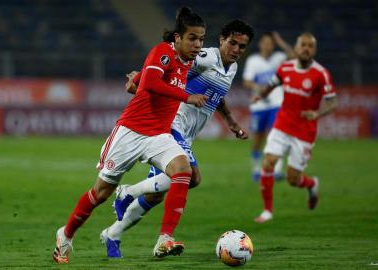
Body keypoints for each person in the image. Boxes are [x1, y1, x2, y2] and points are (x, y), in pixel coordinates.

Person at [52, 7, 208, 264]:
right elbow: (151, 83)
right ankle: (65, 235)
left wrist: (139, 77)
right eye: (192, 38)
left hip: (158, 135)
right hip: (130, 133)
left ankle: (165, 238)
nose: (197, 44)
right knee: (100, 193)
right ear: (177, 38)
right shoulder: (163, 52)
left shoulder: (188, 61)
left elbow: (147, 81)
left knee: (183, 171)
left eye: (201, 39)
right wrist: (186, 96)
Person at [99, 20, 255, 258]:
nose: (236, 50)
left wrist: (231, 122)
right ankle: (131, 197)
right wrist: (139, 80)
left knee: (155, 195)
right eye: (232, 43)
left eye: (242, 47)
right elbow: (169, 69)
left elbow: (217, 95)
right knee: (191, 177)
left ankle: (113, 232)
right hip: (172, 124)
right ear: (221, 39)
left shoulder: (230, 68)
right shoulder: (204, 58)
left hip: (187, 134)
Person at [252, 32, 338, 223]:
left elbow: (333, 102)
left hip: (304, 132)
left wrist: (317, 114)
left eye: (310, 46)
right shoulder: (285, 68)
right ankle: (267, 211)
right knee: (268, 163)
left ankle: (312, 184)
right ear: (297, 48)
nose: (306, 48)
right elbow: (272, 85)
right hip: (282, 125)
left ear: (314, 50)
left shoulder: (320, 73)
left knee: (293, 179)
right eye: (303, 45)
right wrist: (260, 95)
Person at [243, 32, 295, 181]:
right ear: (260, 44)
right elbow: (247, 81)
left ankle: (277, 170)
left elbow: (293, 56)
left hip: (277, 103)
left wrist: (281, 42)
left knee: (276, 136)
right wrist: (258, 86)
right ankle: (256, 169)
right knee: (258, 139)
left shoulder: (279, 58)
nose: (268, 46)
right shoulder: (253, 61)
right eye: (265, 43)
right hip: (259, 105)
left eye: (271, 43)